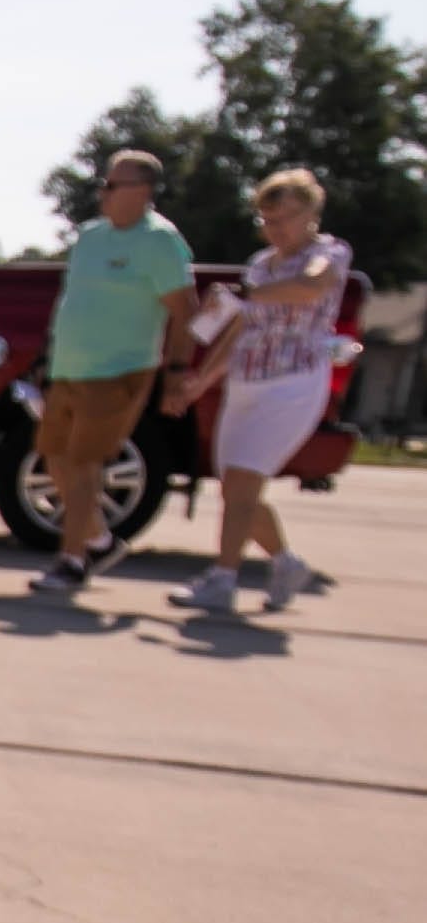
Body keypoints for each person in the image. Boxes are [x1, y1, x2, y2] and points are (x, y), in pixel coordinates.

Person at [165, 168, 347, 613]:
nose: (275, 228)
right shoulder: (261, 264)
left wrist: (250, 293)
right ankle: (286, 563)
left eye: (284, 218)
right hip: (246, 381)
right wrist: (201, 380)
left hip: (292, 384)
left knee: (244, 483)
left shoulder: (328, 254)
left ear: (310, 214)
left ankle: (223, 580)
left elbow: (310, 287)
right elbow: (239, 330)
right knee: (236, 490)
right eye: (267, 219)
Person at [27, 146, 194, 599]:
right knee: (55, 459)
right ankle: (99, 541)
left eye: (113, 184)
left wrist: (177, 372)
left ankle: (71, 560)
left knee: (85, 465)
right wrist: (46, 358)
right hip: (69, 369)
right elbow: (70, 302)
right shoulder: (89, 237)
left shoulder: (159, 242)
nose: (103, 191)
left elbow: (185, 312)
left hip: (120, 370)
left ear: (142, 191)